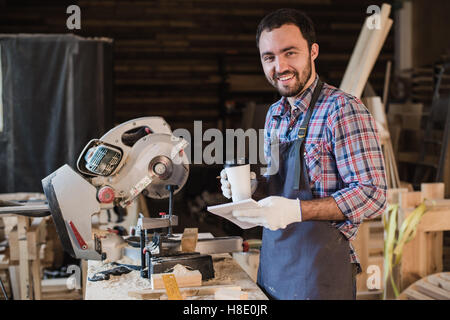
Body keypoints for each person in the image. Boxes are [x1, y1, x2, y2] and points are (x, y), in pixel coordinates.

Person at [220, 8, 387, 300]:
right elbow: (280, 185)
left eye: (290, 53)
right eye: (269, 57)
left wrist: (298, 210)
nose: (280, 66)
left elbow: (373, 195)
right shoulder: (274, 114)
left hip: (320, 276)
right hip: (274, 268)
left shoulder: (342, 109)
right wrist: (249, 187)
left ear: (313, 51)